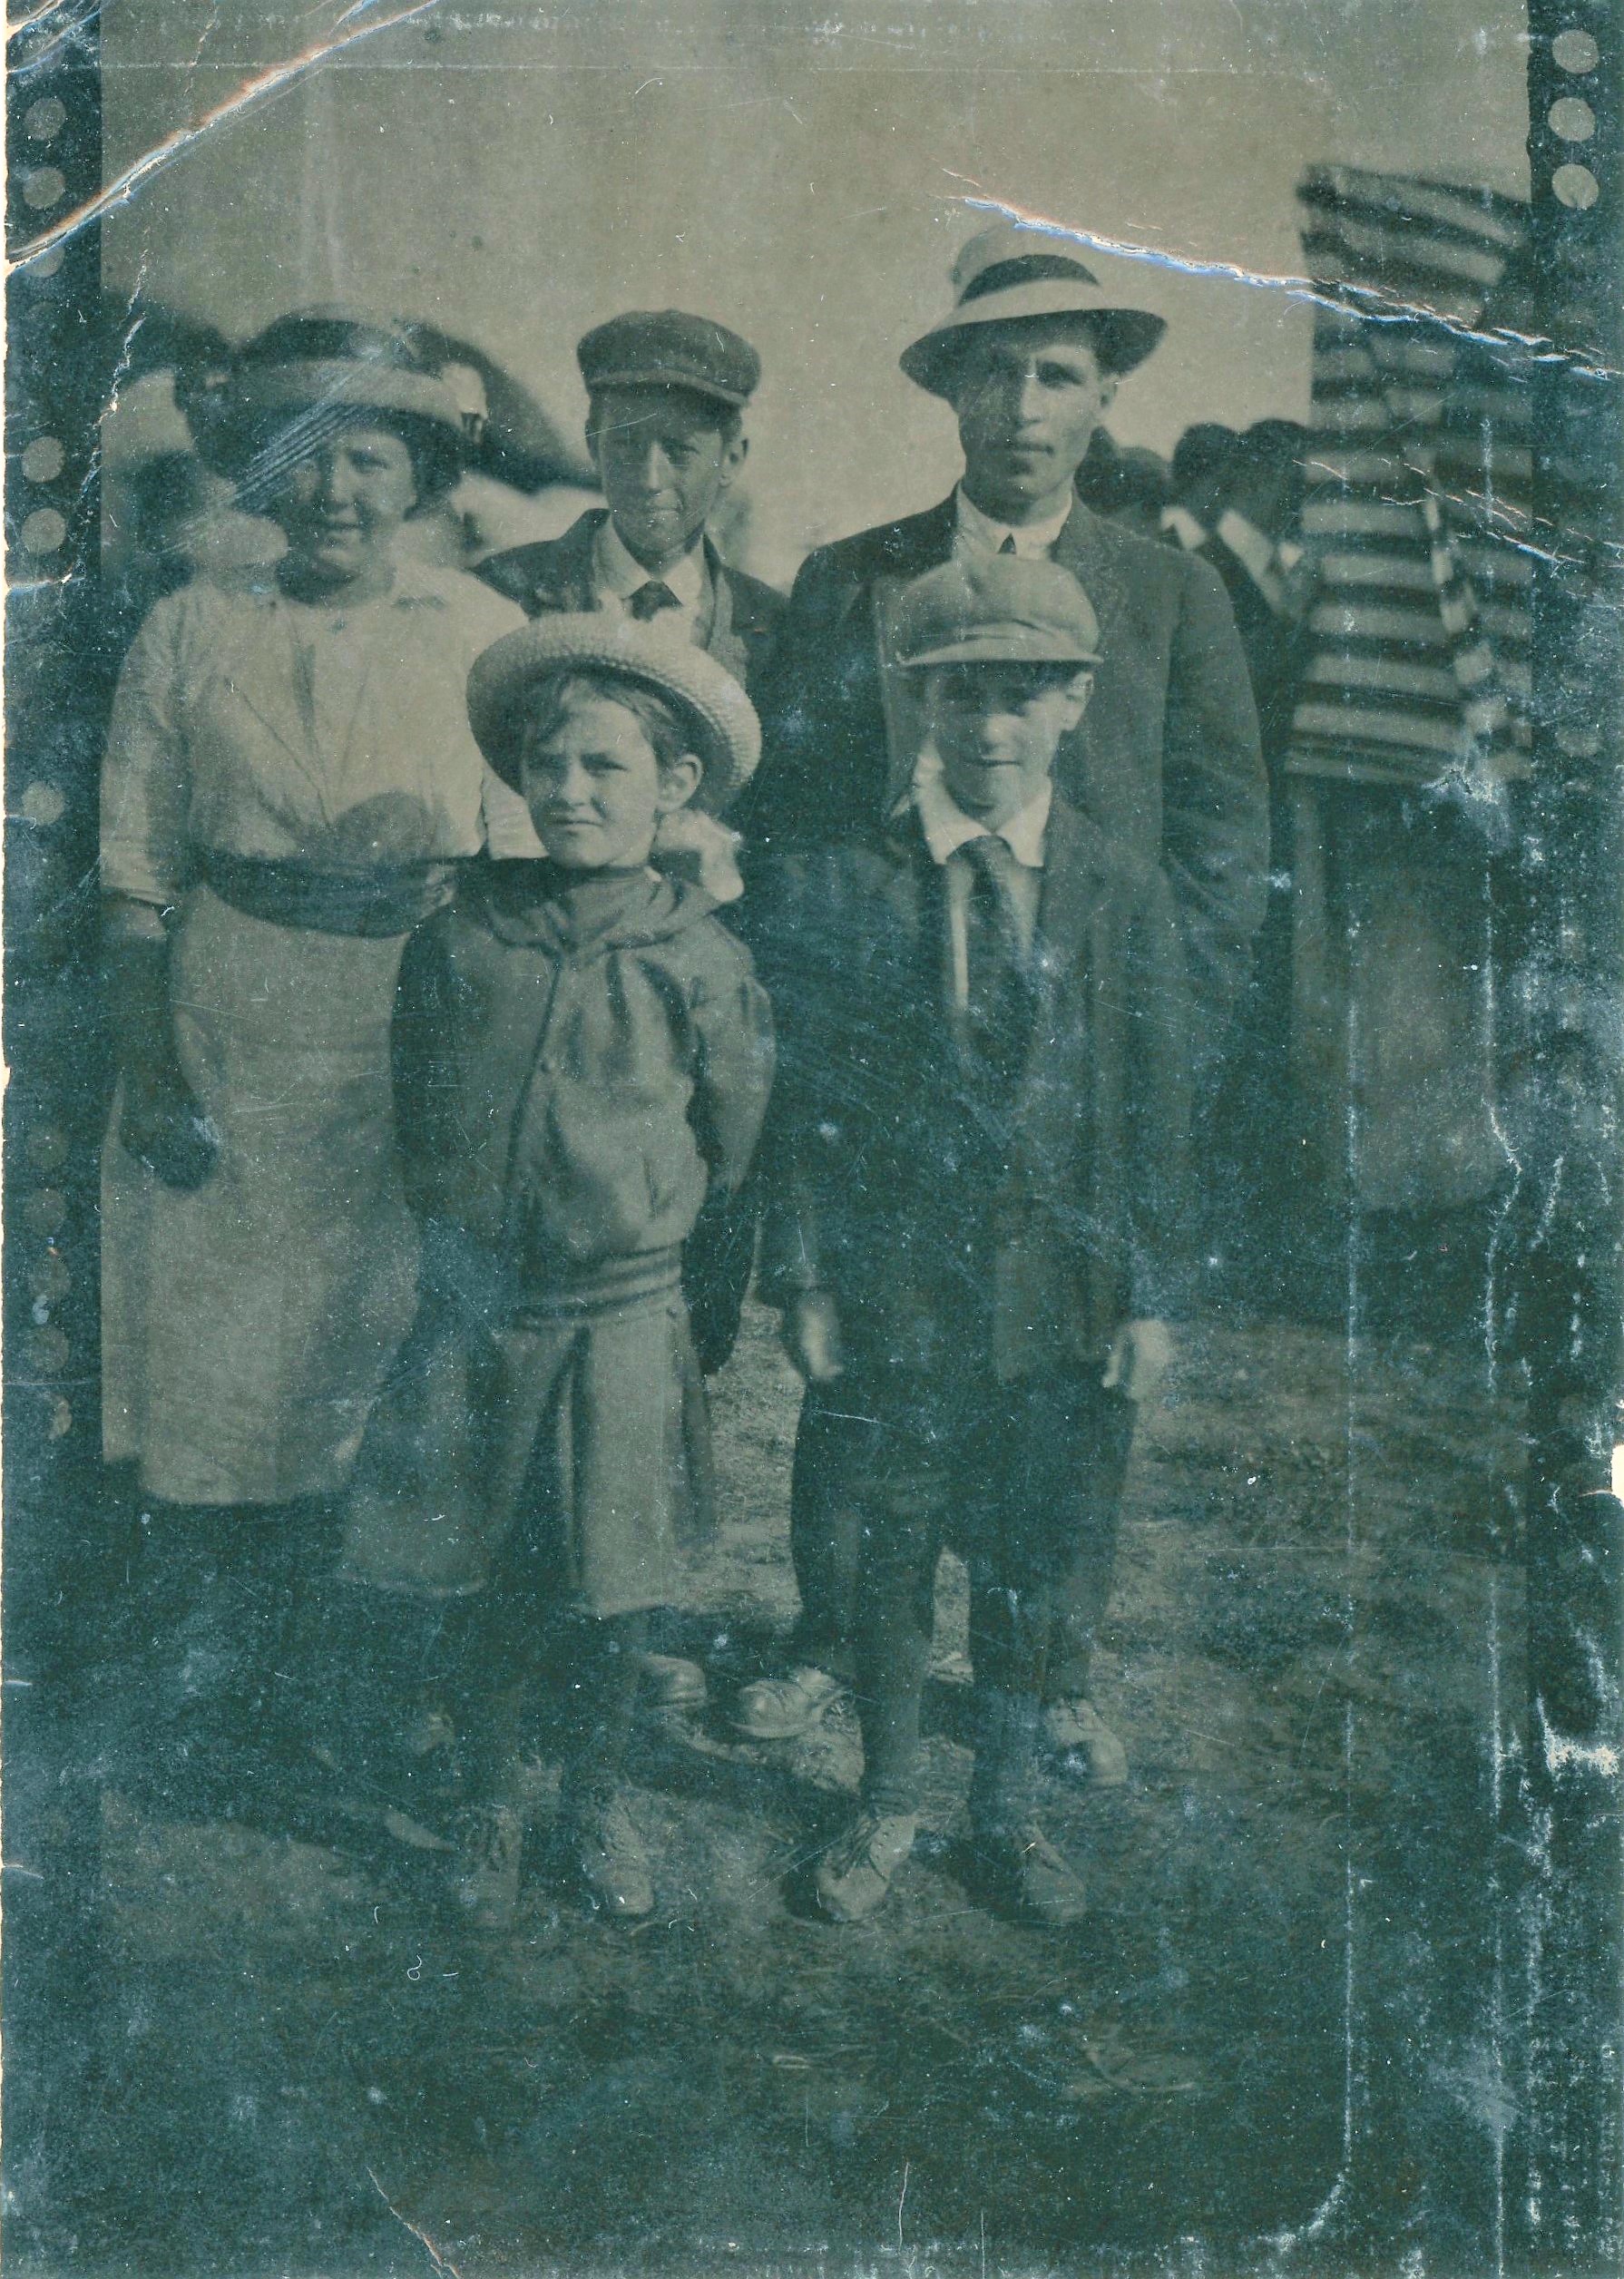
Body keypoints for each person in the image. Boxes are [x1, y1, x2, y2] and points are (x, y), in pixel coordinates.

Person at [735, 221, 1264, 1763]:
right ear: (949, 395)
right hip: (897, 1063)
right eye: (995, 376)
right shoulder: (851, 580)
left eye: (1056, 375)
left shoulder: (1169, 593)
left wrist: (1155, 1027)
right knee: (870, 1377)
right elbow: (791, 827)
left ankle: (1053, 1670)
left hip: (1081, 1076)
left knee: (1069, 1396)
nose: (1024, 408)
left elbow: (1222, 836)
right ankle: (835, 1637)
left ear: (1102, 397)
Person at [100, 310, 531, 1795]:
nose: (335, 490)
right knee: (226, 1373)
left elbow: (519, 865)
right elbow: (134, 874)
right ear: (258, 469)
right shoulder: (191, 626)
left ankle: (365, 1701)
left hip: (409, 1029)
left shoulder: (477, 630)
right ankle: (227, 1697)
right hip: (230, 1022)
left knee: (382, 1367)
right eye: (305, 454)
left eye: (370, 460)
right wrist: (156, 1073)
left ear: (418, 478)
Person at [751, 553, 1192, 1924]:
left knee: (1028, 1560)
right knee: (890, 1548)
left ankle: (1003, 1814)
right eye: (959, 698)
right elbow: (803, 1103)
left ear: (1074, 704)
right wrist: (805, 1276)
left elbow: (1155, 1108)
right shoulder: (847, 884)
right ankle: (886, 1799)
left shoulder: (1119, 886)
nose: (990, 729)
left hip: (1057, 1297)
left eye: (1021, 696)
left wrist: (1150, 1295)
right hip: (898, 1292)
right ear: (917, 704)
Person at [337, 616, 773, 1930]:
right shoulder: (465, 935)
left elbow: (733, 1143)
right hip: (484, 1312)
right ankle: (489, 1802)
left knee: (613, 1581)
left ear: (674, 785)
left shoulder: (701, 958)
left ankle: (595, 1800)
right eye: (548, 766)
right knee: (487, 1569)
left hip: (621, 1314)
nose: (570, 792)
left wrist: (654, 1255)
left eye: (605, 767)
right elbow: (419, 1099)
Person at [482, 308, 788, 1712]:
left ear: (733, 455)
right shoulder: (508, 594)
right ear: (592, 443)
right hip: (539, 1005)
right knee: (518, 1327)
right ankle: (513, 1630)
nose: (651, 473)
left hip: (698, 1023)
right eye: (622, 441)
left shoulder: (783, 624)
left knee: (677, 1318)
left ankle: (627, 1609)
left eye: (682, 445)